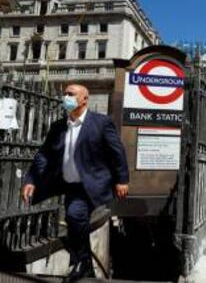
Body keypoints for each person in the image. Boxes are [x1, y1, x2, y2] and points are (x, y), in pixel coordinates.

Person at [22, 84, 129, 282]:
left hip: (91, 184)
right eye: (64, 94)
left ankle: (80, 262)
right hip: (69, 184)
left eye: (70, 94)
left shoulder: (101, 123)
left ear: (84, 100)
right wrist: (31, 180)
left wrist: (122, 180)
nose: (65, 97)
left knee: (75, 214)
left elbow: (117, 152)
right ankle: (85, 262)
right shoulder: (59, 126)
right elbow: (44, 155)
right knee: (74, 222)